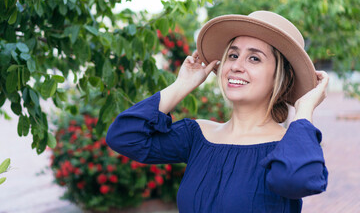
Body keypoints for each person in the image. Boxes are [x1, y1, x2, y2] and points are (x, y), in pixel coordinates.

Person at [106, 11, 329, 213]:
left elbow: (297, 180)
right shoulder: (197, 135)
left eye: (254, 58)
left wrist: (304, 111)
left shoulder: (287, 147)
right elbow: (124, 136)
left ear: (281, 78)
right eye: (232, 55)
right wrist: (182, 84)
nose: (236, 66)